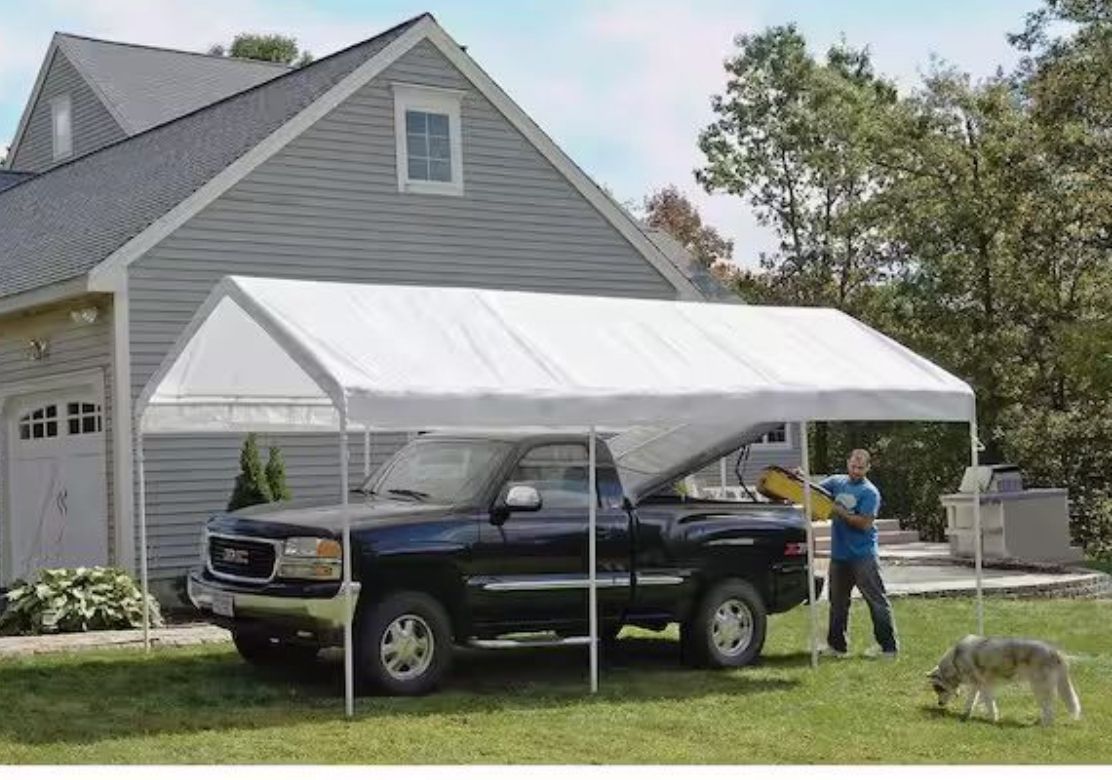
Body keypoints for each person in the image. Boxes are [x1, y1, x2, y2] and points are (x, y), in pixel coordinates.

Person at [818, 448, 898, 659]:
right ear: (848, 463)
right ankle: (837, 647)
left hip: (863, 555)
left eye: (861, 468)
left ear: (868, 468)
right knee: (837, 602)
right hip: (839, 555)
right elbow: (814, 492)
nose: (856, 470)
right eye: (853, 466)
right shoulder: (837, 482)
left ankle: (888, 648)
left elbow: (864, 523)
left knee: (876, 600)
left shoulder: (869, 492)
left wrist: (839, 511)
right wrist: (799, 478)